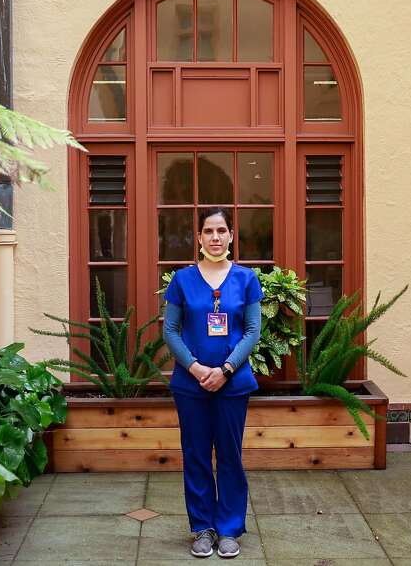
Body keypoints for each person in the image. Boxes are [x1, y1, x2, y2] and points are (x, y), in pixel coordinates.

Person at [162, 207, 263, 559]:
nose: (215, 237)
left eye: (222, 230)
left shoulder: (247, 279)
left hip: (233, 385)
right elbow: (170, 330)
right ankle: (202, 528)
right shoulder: (182, 280)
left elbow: (252, 331)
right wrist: (194, 367)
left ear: (231, 236)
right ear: (199, 238)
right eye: (208, 231)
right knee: (196, 455)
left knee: (231, 456)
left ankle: (230, 528)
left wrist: (226, 369)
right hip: (191, 386)